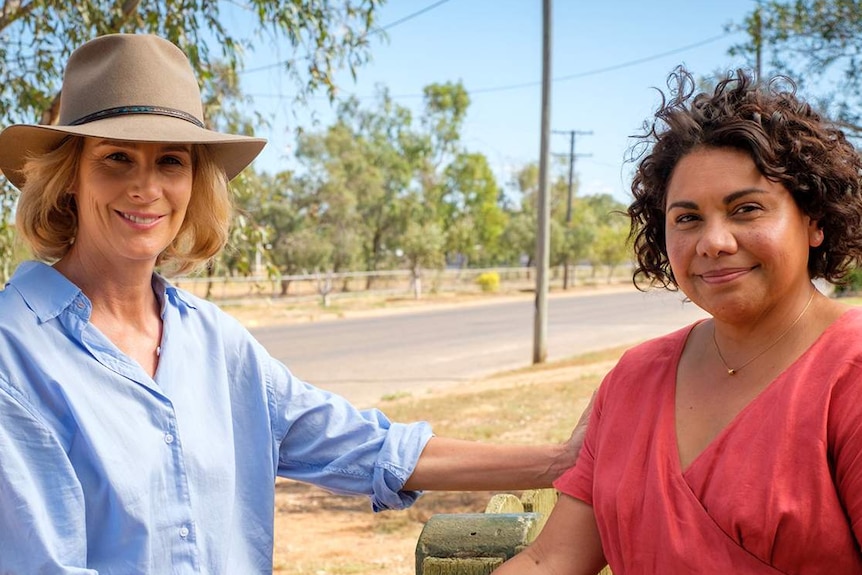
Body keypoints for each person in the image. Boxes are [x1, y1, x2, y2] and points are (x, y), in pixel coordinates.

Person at [0, 33, 586, 574]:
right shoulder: (16, 355)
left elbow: (365, 447)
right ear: (68, 177)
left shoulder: (212, 341)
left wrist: (563, 461)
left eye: (170, 160)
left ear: (194, 182)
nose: (146, 187)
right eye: (116, 157)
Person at [495, 67, 862, 574]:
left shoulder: (851, 376)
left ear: (814, 220)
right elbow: (552, 559)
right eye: (687, 218)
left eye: (747, 209)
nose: (713, 241)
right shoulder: (634, 378)